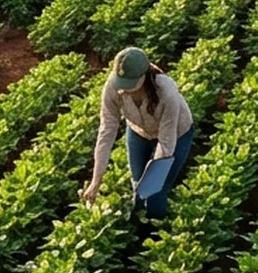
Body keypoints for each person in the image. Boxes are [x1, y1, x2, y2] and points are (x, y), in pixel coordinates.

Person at [82, 46, 194, 218]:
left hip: (176, 134)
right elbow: (107, 131)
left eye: (129, 83)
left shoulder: (166, 92)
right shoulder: (113, 86)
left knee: (155, 193)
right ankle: (139, 230)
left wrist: (152, 180)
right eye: (122, 82)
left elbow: (165, 143)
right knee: (138, 189)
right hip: (139, 132)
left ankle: (156, 235)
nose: (123, 89)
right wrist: (96, 181)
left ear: (144, 76)